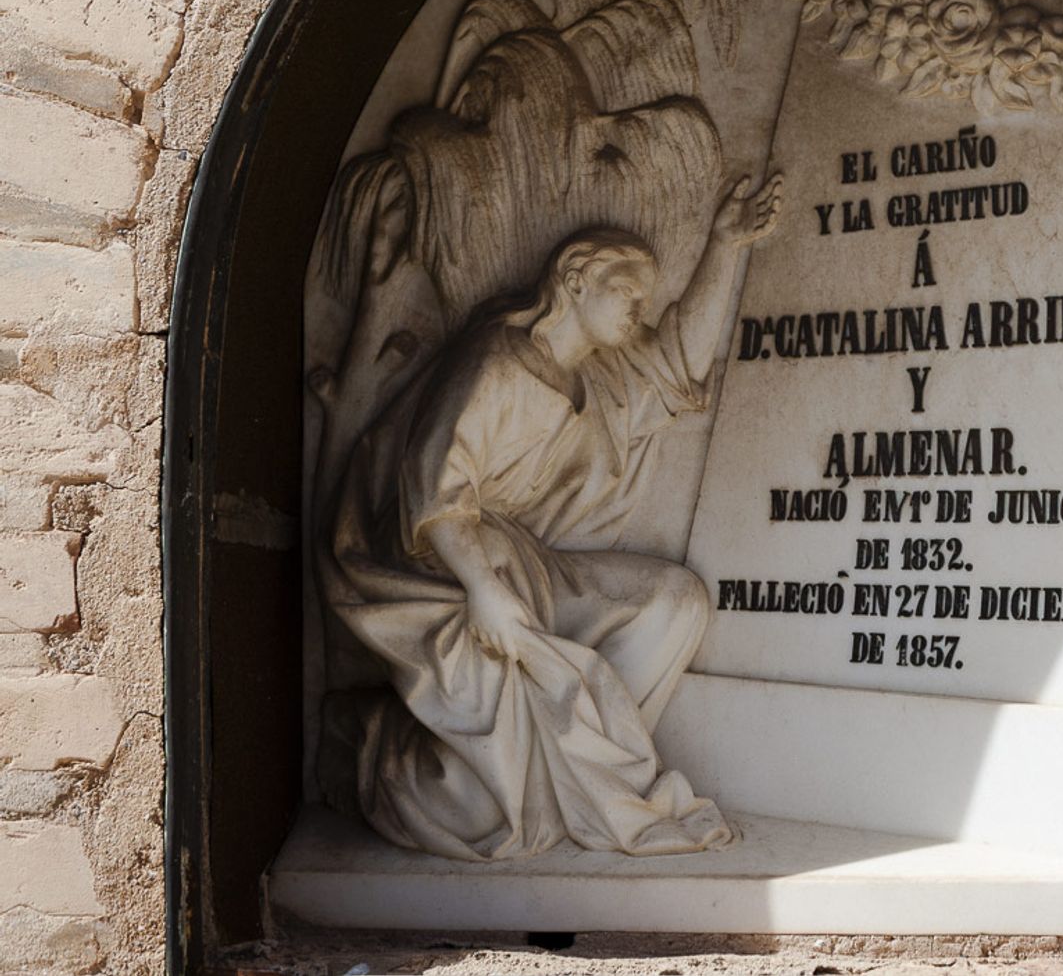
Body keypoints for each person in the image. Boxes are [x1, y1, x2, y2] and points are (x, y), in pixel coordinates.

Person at [320, 175, 782, 861]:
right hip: (443, 573)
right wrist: (483, 590)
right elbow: (436, 489)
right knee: (480, 809)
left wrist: (723, 245)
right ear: (575, 278)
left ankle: (578, 776)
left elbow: (680, 358)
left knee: (674, 601)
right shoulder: (496, 361)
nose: (640, 309)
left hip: (525, 566)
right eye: (629, 292)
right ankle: (379, 738)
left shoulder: (598, 377)